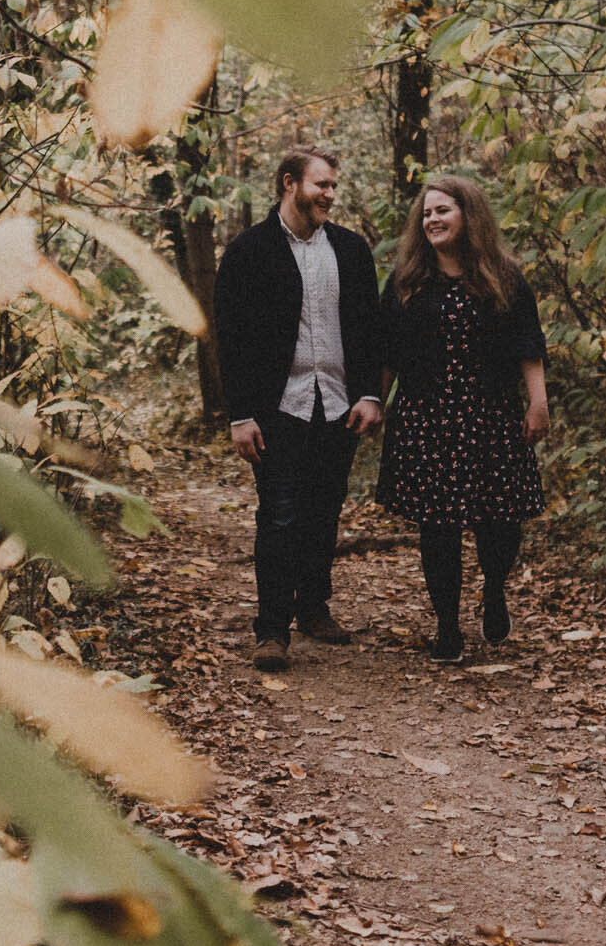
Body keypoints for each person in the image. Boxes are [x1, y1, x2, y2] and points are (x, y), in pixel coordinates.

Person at [212, 147, 385, 673]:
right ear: (289, 183)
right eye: (321, 185)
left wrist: (371, 394)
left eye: (334, 185)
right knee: (280, 514)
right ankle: (270, 629)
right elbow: (230, 338)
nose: (330, 195)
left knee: (323, 511)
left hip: (338, 405)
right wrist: (241, 413)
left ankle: (313, 608)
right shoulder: (249, 250)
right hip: (277, 409)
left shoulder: (352, 251)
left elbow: (368, 329)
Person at [376, 174, 550, 665]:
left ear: (467, 215)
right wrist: (372, 402)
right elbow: (387, 351)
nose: (432, 219)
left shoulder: (504, 275)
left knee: (501, 522)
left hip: (491, 416)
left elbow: (528, 345)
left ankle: (494, 589)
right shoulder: (408, 280)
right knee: (437, 527)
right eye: (427, 213)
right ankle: (447, 625)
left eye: (442, 210)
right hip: (425, 419)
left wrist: (538, 403)